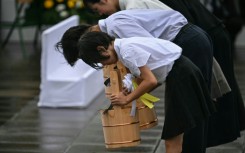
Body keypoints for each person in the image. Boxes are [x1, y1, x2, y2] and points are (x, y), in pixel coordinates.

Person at [83, 0, 245, 149]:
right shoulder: (121, 29)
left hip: (187, 48)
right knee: (190, 115)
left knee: (187, 119)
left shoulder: (122, 30)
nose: (101, 13)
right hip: (185, 49)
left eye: (98, 9)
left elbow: (151, 69)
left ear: (101, 49)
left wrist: (129, 96)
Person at [56, 9, 214, 153]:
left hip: (182, 75)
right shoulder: (124, 45)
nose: (105, 65)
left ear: (102, 49)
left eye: (101, 61)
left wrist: (127, 99)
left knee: (173, 138)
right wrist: (132, 89)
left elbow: (150, 80)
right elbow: (149, 73)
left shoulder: (126, 49)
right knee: (178, 134)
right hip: (180, 72)